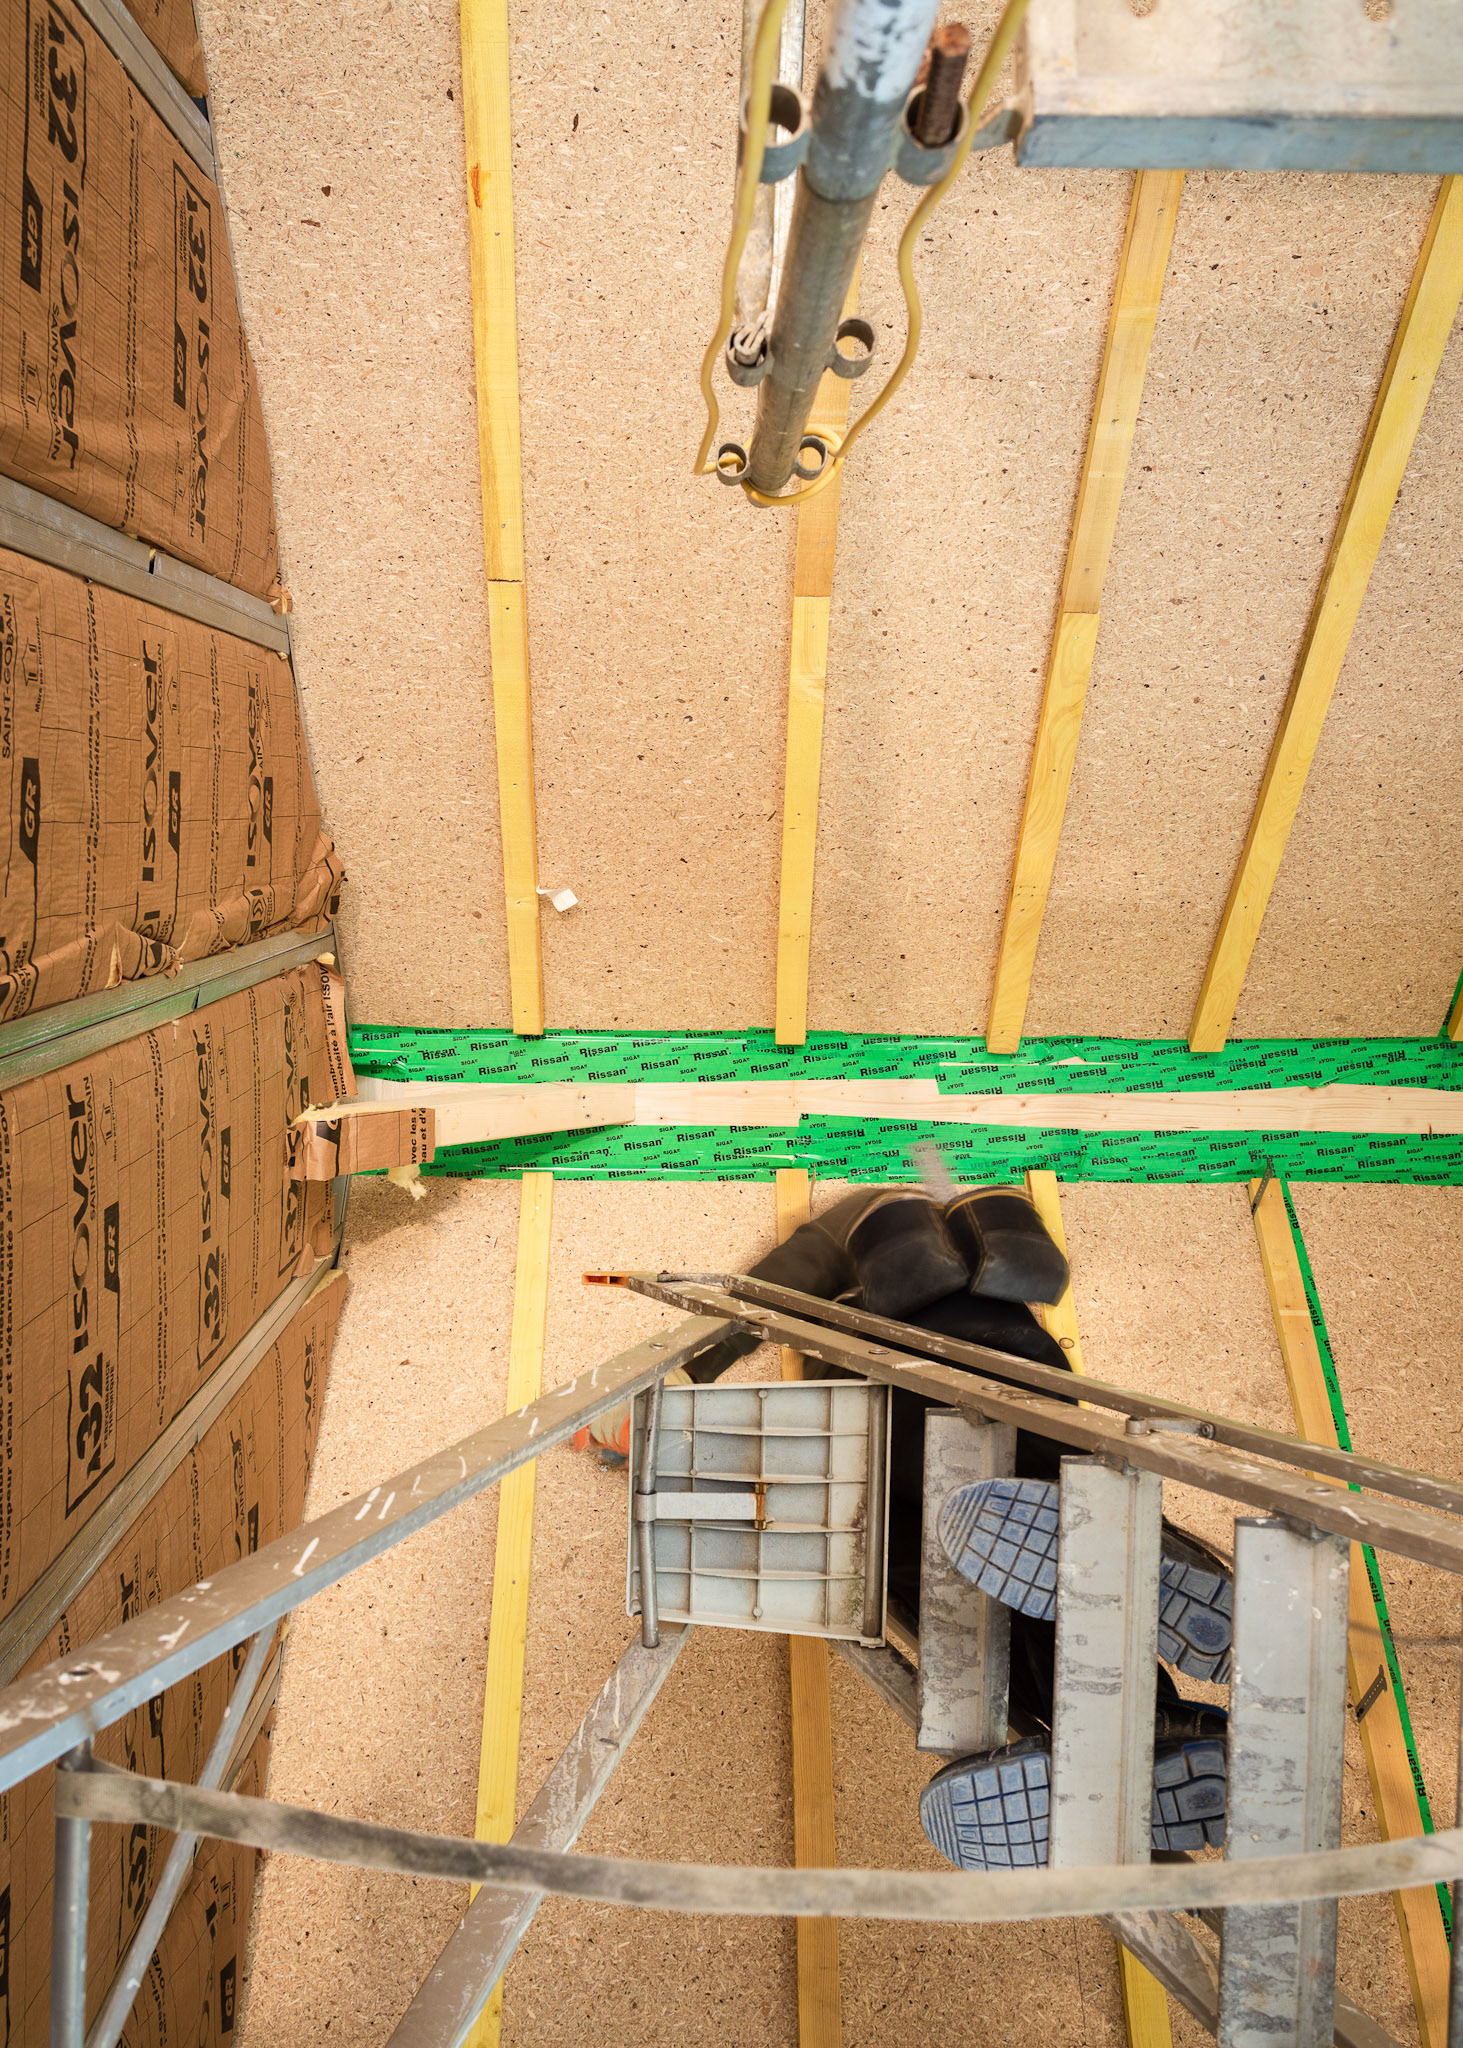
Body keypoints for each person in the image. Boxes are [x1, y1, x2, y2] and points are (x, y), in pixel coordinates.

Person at [575, 1183, 1229, 1871]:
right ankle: (1156, 1713)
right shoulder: (974, 1263)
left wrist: (686, 1371)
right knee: (1050, 1535)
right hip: (1016, 1383)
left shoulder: (864, 1236)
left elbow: (765, 1292)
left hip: (890, 1401)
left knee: (955, 1577)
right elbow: (776, 1289)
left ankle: (1138, 1726)